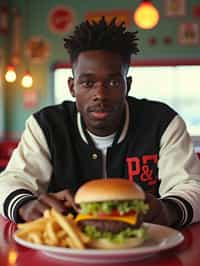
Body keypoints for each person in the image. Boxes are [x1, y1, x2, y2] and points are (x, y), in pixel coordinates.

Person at [0, 17, 200, 227]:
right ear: (72, 87)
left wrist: (169, 210)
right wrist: (26, 205)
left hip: (149, 244)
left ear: (127, 85)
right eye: (87, 83)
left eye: (113, 82)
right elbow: (10, 181)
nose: (100, 94)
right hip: (64, 251)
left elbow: (192, 186)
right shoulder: (46, 125)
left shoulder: (162, 122)